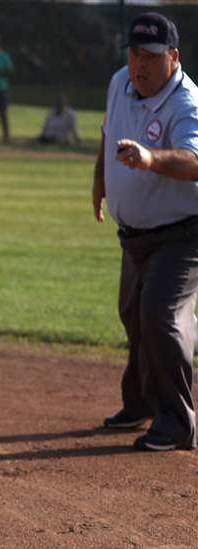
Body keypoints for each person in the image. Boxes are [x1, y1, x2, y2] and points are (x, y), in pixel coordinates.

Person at [94, 12, 198, 452]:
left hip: (183, 233)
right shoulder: (120, 82)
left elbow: (194, 161)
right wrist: (100, 182)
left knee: (160, 314)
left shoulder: (186, 102)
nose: (141, 64)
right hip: (135, 234)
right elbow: (107, 135)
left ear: (173, 57)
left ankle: (177, 424)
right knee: (134, 316)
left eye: (152, 57)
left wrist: (152, 159)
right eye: (135, 54)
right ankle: (139, 404)